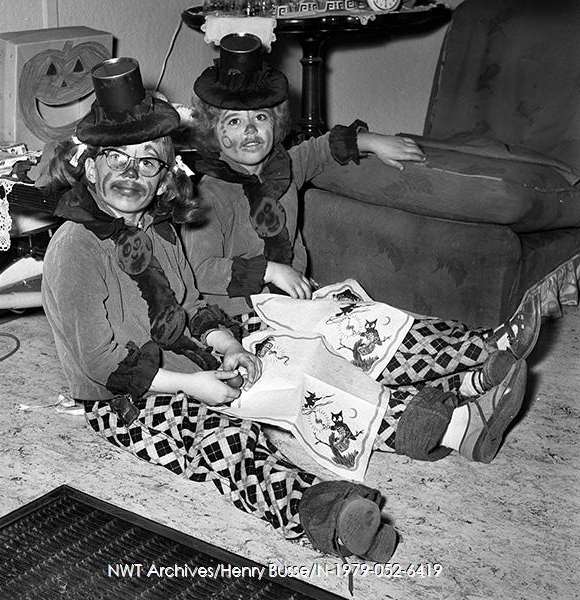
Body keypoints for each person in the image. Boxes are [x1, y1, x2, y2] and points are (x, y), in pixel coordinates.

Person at [39, 56, 401, 575]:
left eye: (147, 162)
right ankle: (328, 519)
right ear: (90, 167)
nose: (130, 174)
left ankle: (412, 423)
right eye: (115, 160)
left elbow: (187, 305)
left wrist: (227, 346)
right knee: (227, 441)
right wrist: (193, 387)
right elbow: (100, 361)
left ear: (165, 179)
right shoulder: (76, 246)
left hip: (187, 362)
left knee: (298, 378)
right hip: (126, 398)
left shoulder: (159, 231)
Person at [182, 33, 541, 463]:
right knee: (331, 370)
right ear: (211, 131)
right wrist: (269, 270)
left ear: (275, 122)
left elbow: (319, 149)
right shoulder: (207, 194)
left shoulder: (283, 166)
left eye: (259, 118)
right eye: (233, 123)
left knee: (375, 327)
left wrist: (370, 141)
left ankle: (479, 360)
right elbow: (200, 268)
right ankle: (458, 407)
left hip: (299, 304)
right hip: (244, 321)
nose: (250, 132)